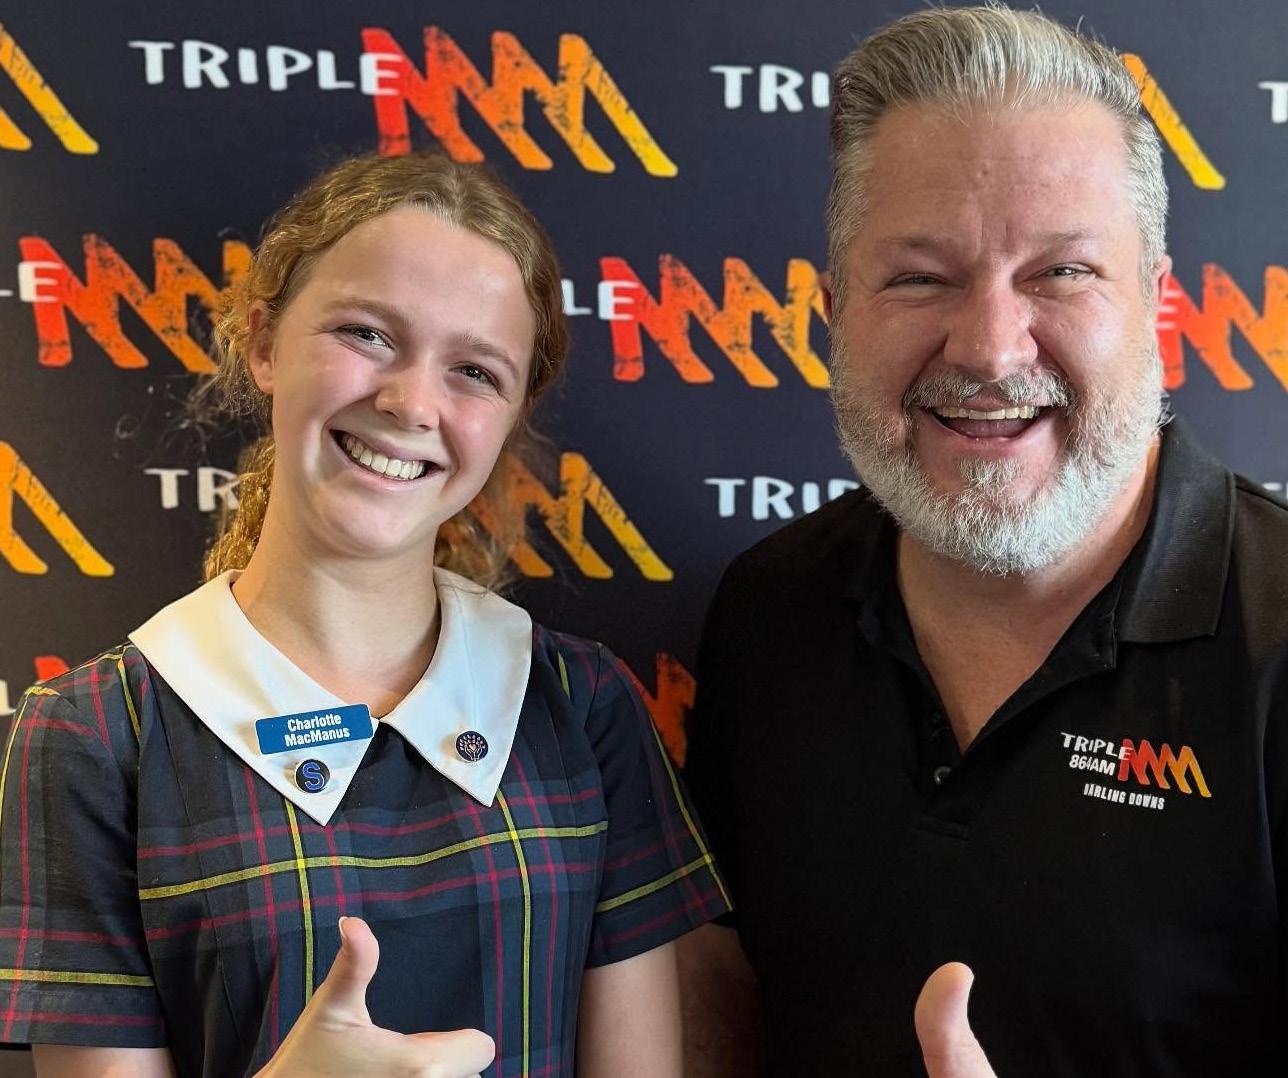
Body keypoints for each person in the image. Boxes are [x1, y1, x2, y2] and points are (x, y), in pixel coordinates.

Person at [0, 151, 729, 1078]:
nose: (412, 402)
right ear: (264, 343)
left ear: (510, 416)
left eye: (475, 370)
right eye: (367, 334)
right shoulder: (96, 742)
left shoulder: (582, 707)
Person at [680, 5, 1288, 1076]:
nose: (991, 349)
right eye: (920, 277)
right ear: (835, 310)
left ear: (1157, 304)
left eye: (1060, 272)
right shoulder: (769, 610)